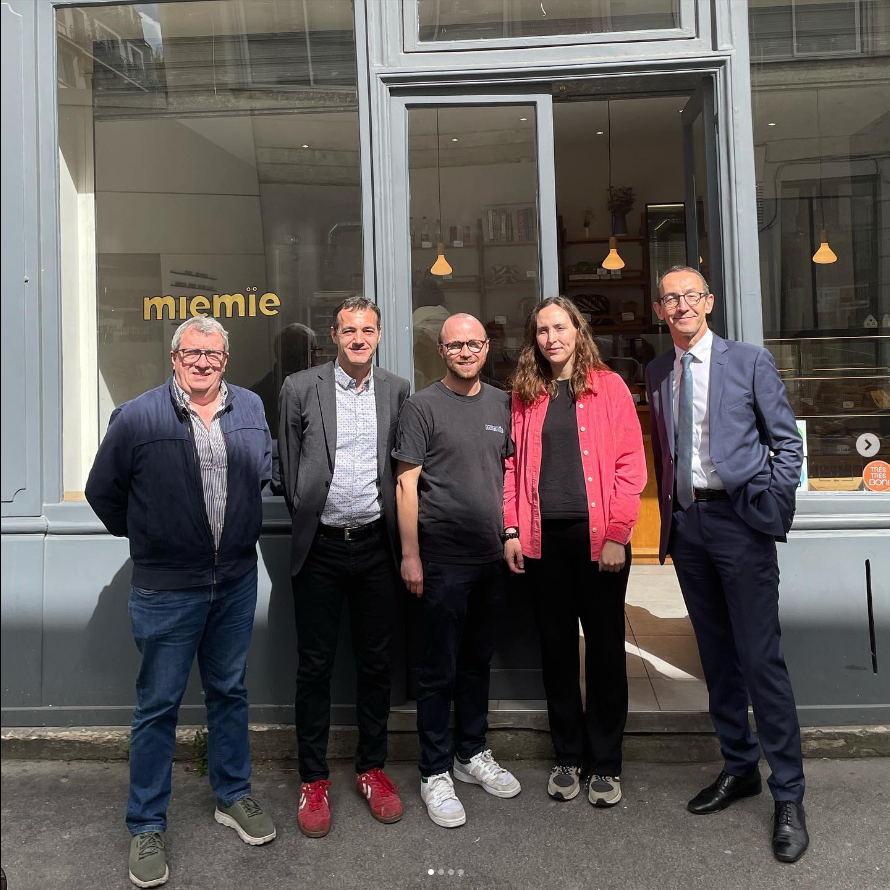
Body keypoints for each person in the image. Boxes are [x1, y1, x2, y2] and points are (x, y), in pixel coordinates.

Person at [85, 316, 275, 889]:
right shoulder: (139, 416)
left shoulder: (250, 408)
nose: (202, 362)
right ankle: (146, 823)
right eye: (191, 352)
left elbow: (262, 474)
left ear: (225, 359)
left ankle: (233, 794)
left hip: (235, 581)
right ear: (174, 357)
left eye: (212, 354)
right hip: (168, 588)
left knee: (229, 692)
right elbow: (103, 492)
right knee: (158, 706)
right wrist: (152, 538)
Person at [644, 265, 808, 863]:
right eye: (671, 299)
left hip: (741, 522)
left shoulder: (748, 361)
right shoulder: (658, 370)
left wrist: (771, 502)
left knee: (760, 659)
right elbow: (667, 448)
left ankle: (788, 793)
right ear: (660, 310)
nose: (682, 305)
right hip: (689, 527)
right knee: (715, 656)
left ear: (709, 302)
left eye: (691, 295)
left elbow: (786, 442)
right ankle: (739, 768)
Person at [503, 296, 646, 807]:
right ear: (533, 339)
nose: (551, 339)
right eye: (541, 331)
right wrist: (512, 529)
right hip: (544, 545)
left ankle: (605, 763)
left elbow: (631, 465)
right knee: (558, 653)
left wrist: (617, 534)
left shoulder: (608, 387)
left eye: (559, 328)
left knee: (607, 653)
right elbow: (512, 471)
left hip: (599, 542)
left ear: (577, 331)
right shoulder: (525, 394)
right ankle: (568, 755)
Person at [277, 296, 410, 838]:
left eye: (368, 330)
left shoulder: (399, 390)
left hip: (378, 547)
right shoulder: (301, 387)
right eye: (349, 330)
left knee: (376, 664)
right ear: (334, 335)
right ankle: (313, 778)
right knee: (315, 666)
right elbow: (287, 466)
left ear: (379, 336)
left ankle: (372, 769)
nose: (359, 338)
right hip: (322, 548)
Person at [394, 313, 521, 829]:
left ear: (487, 347)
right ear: (440, 350)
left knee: (476, 663)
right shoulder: (421, 406)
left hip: (491, 558)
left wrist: (511, 534)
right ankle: (433, 771)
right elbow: (406, 483)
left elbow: (510, 476)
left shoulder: (501, 403)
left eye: (474, 344)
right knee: (437, 670)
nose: (465, 352)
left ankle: (471, 755)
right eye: (455, 345)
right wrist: (410, 554)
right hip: (441, 560)